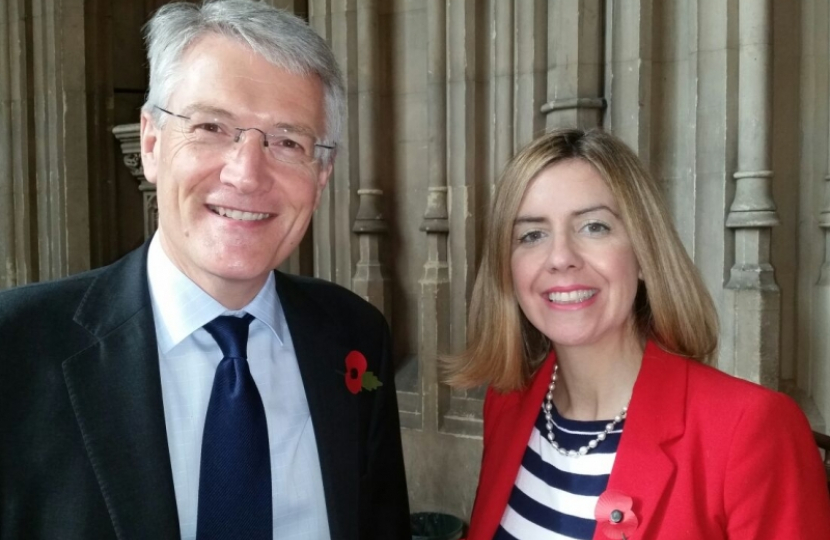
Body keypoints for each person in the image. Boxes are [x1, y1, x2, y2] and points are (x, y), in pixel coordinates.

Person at [0, 1, 410, 539]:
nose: (247, 174)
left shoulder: (356, 334)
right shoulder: (15, 349)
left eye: (288, 141)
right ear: (151, 143)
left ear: (322, 173)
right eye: (212, 127)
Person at [446, 128, 830, 539]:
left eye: (594, 226)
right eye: (532, 234)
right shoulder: (506, 403)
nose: (560, 257)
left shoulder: (751, 431)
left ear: (644, 254)